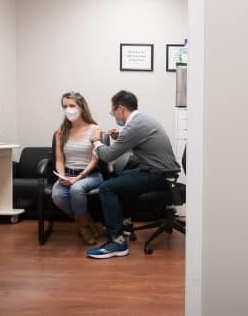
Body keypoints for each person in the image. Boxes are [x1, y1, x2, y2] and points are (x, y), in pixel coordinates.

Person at [87, 90, 180, 259]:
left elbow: (107, 155)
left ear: (120, 108)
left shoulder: (135, 125)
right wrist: (120, 136)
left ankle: (117, 242)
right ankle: (125, 224)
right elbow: (139, 141)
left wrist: (96, 141)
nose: (113, 114)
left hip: (159, 176)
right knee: (119, 178)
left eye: (113, 111)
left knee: (106, 188)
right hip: (163, 173)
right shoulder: (142, 120)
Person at [51, 91, 103, 245]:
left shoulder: (95, 129)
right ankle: (86, 221)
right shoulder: (61, 132)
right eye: (65, 106)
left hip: (90, 175)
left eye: (72, 105)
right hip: (67, 174)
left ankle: (83, 229)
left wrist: (79, 177)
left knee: (76, 189)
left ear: (81, 107)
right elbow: (59, 160)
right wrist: (62, 176)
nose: (68, 110)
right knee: (57, 196)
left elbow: (95, 158)